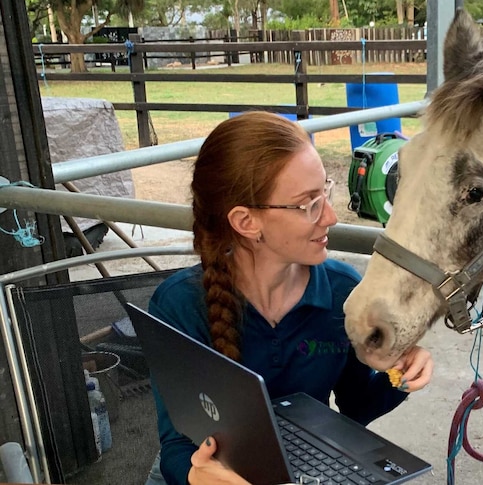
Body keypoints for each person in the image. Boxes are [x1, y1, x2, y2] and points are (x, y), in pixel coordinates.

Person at [144, 111, 433, 485]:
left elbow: (355, 407)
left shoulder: (341, 290)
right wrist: (200, 477)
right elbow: (176, 448)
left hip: (306, 472)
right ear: (246, 222)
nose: (330, 216)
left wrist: (399, 374)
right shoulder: (180, 306)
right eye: (308, 204)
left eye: (325, 192)